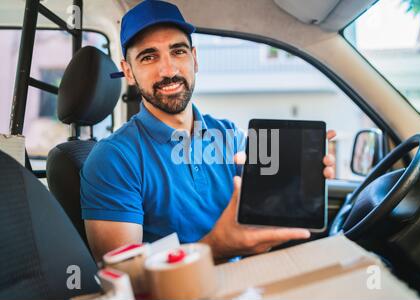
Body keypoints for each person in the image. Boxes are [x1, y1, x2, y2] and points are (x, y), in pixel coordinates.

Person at [80, 0, 336, 262]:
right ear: (129, 72)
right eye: (149, 57)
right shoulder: (112, 160)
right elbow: (125, 277)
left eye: (178, 52)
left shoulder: (230, 135)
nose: (168, 70)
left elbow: (265, 210)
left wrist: (302, 181)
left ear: (195, 59)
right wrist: (216, 247)